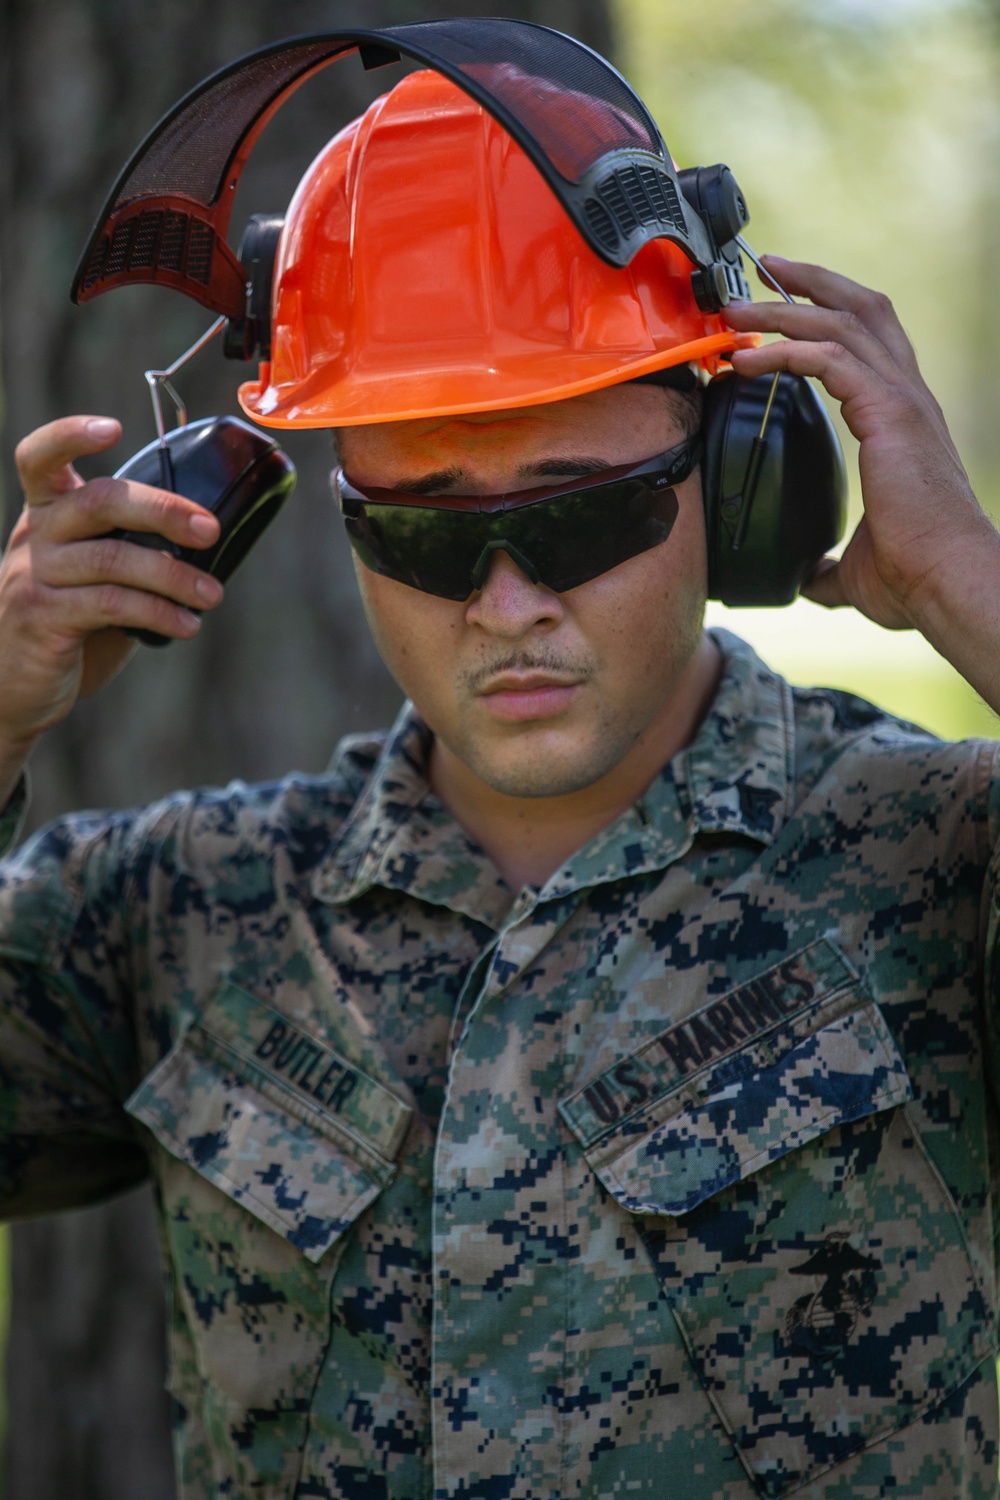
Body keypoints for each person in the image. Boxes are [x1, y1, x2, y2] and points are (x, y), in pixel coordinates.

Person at [2, 55, 1000, 1500]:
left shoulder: (934, 864)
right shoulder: (188, 914)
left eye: (584, 512)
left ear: (739, 481)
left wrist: (965, 576)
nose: (509, 601)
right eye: (426, 532)